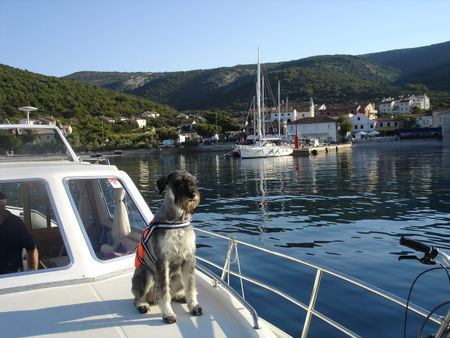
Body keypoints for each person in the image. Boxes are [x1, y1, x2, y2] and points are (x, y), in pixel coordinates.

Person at [0, 191, 39, 274]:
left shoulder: (16, 223)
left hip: (12, 275)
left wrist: (32, 274)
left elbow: (31, 249)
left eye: (1, 203)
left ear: (3, 204)